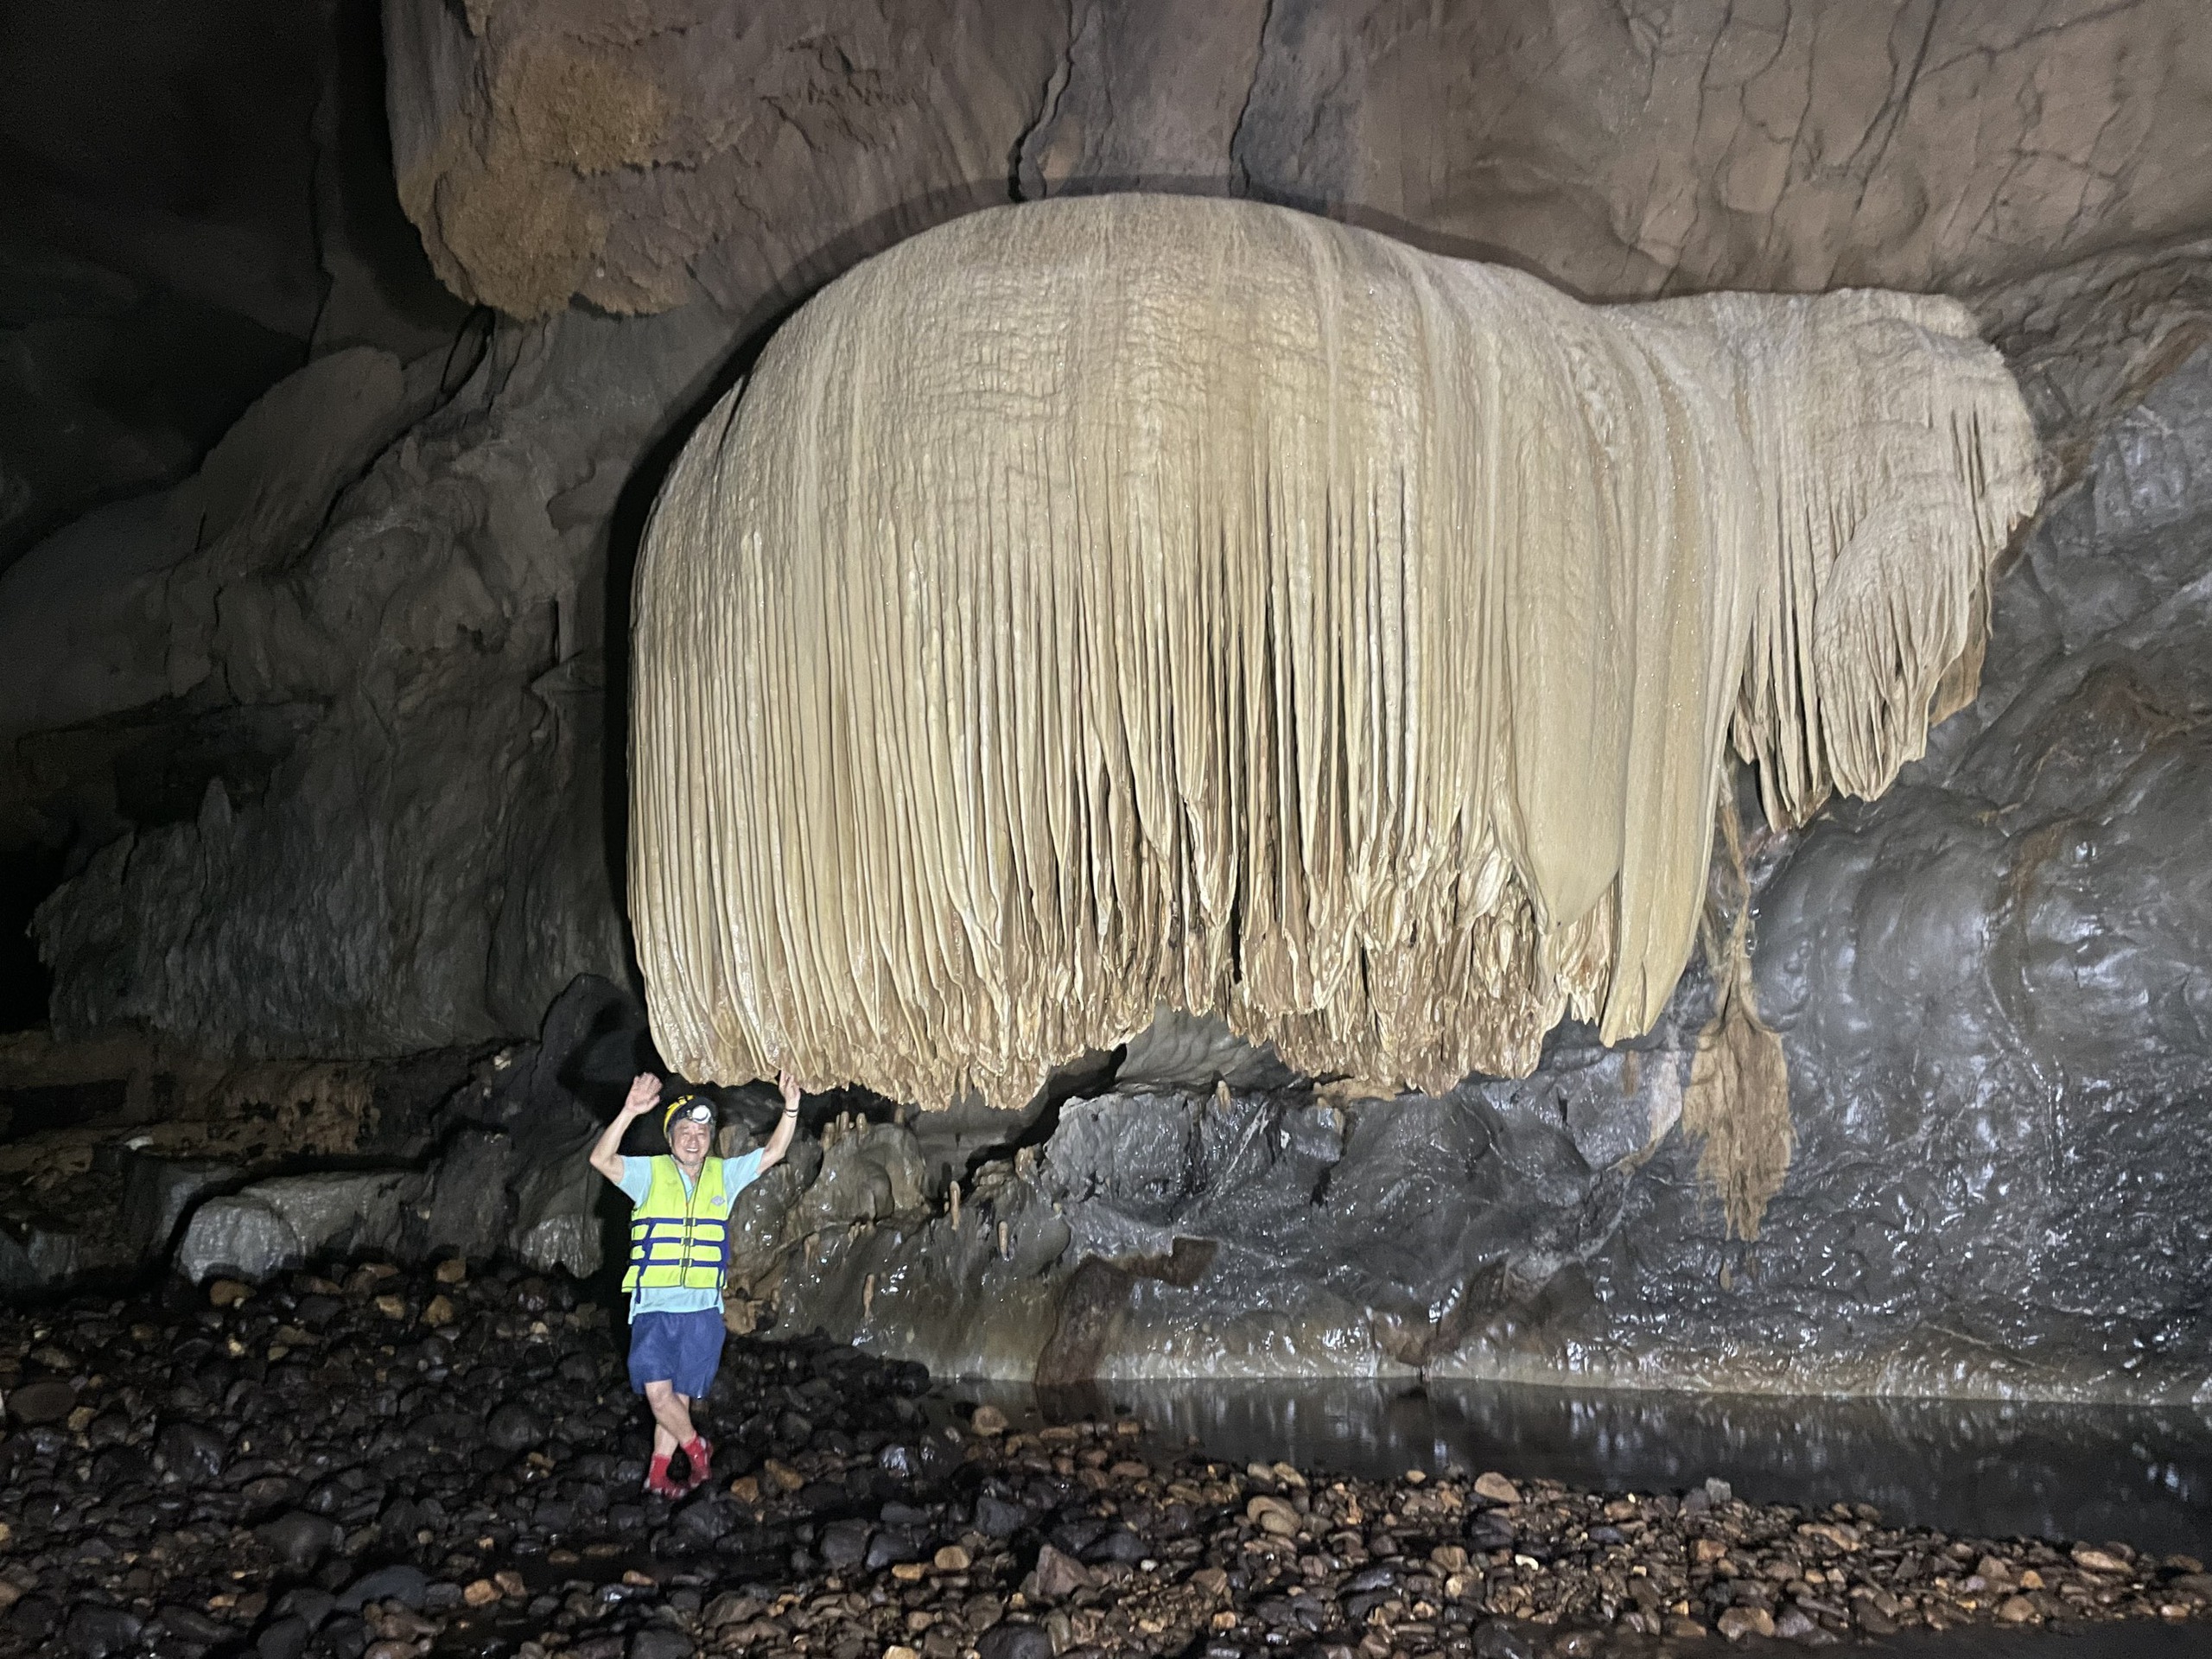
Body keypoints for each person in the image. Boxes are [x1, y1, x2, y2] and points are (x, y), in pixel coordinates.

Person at [589, 1068, 802, 1496]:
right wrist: (629, 1111)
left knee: (680, 1397)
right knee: (657, 1394)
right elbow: (601, 1159)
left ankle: (659, 1472)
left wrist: (792, 1106)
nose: (693, 1138)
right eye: (684, 1130)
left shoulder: (724, 1175)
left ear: (710, 1140)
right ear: (671, 1139)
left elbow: (774, 1151)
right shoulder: (649, 1175)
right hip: (655, 1306)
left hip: (703, 1310)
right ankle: (697, 1449)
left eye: (702, 1132)